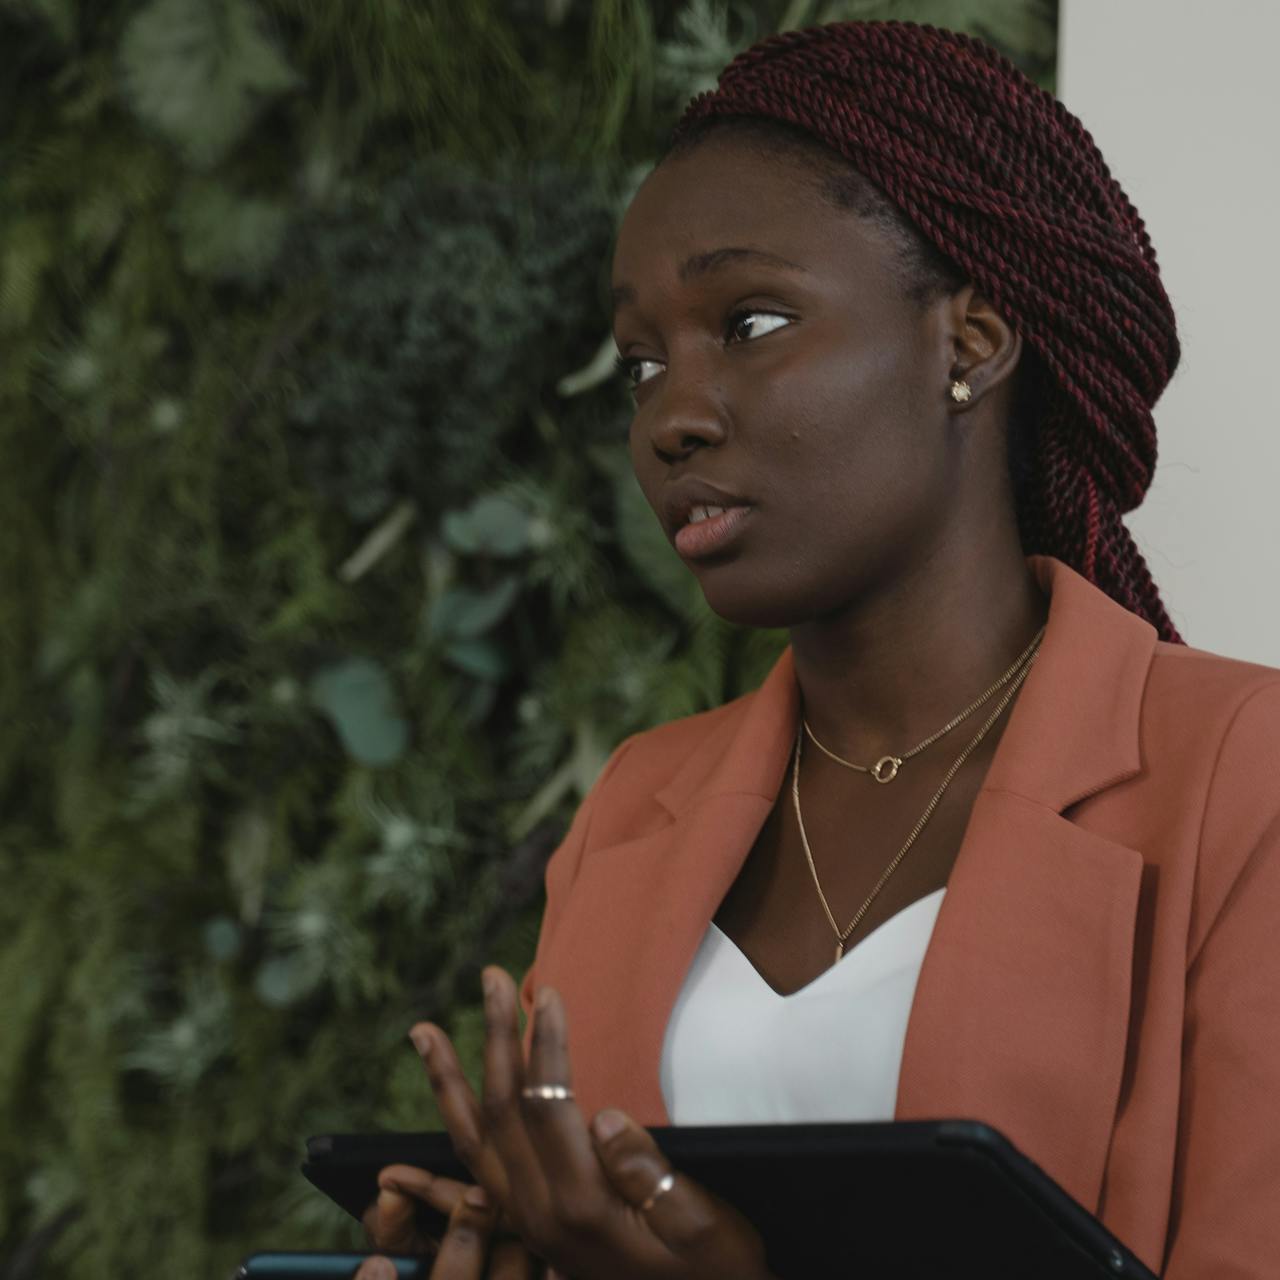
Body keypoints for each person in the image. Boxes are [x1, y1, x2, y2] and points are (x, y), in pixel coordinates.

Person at [356, 19, 1280, 1280]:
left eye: (748, 322)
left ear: (969, 341)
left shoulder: (1238, 775)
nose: (671, 418)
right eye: (640, 363)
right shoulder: (634, 802)